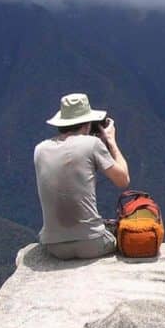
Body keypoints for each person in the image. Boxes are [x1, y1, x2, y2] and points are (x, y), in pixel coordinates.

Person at [34, 92, 130, 259]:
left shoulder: (40, 149)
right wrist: (111, 141)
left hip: (54, 246)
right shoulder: (93, 144)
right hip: (92, 244)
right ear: (88, 123)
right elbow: (123, 180)